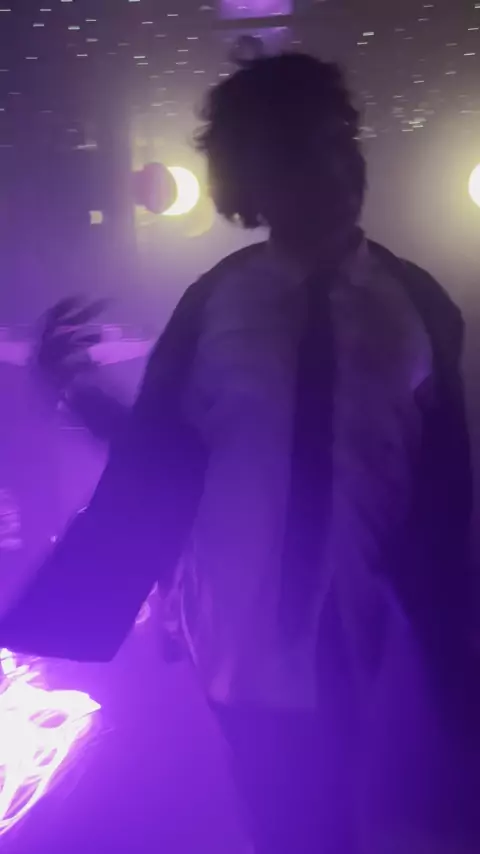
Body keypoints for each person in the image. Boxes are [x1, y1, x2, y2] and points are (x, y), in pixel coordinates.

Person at [1, 53, 477, 853]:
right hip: (239, 637)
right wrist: (75, 390)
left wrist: (450, 644)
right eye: (300, 147)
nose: (335, 166)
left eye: (340, 137)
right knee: (291, 823)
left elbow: (444, 493)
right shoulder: (217, 303)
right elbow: (164, 460)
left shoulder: (419, 304)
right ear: (252, 179)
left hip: (366, 636)